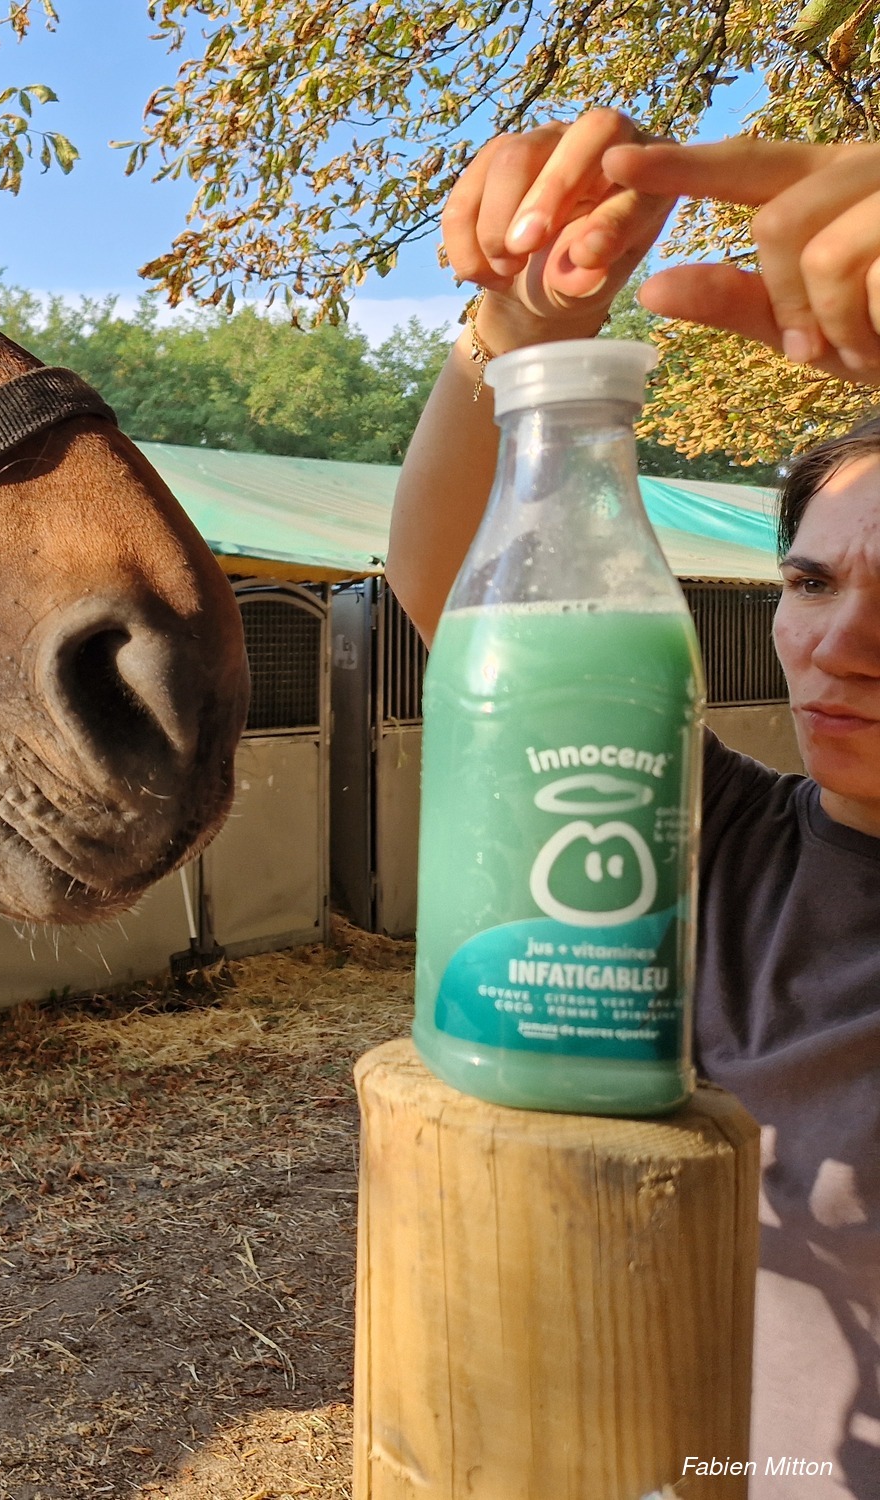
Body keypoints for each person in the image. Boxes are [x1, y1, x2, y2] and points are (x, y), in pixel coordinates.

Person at [390, 113, 880, 1497]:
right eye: (811, 583)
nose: (842, 645)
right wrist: (524, 328)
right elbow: (452, 586)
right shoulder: (709, 845)